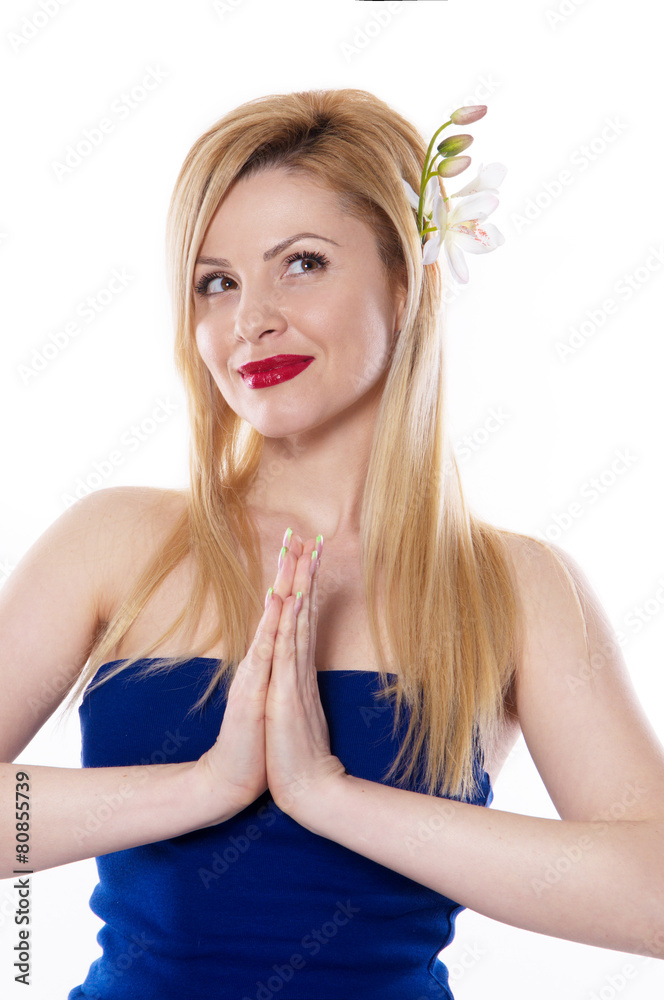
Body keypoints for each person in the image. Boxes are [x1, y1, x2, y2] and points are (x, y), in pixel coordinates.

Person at [1, 87, 663, 999]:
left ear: (407, 280)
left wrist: (329, 795)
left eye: (302, 264)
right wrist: (204, 787)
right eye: (217, 282)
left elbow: (651, 894)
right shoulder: (115, 541)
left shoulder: (517, 588)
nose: (251, 319)